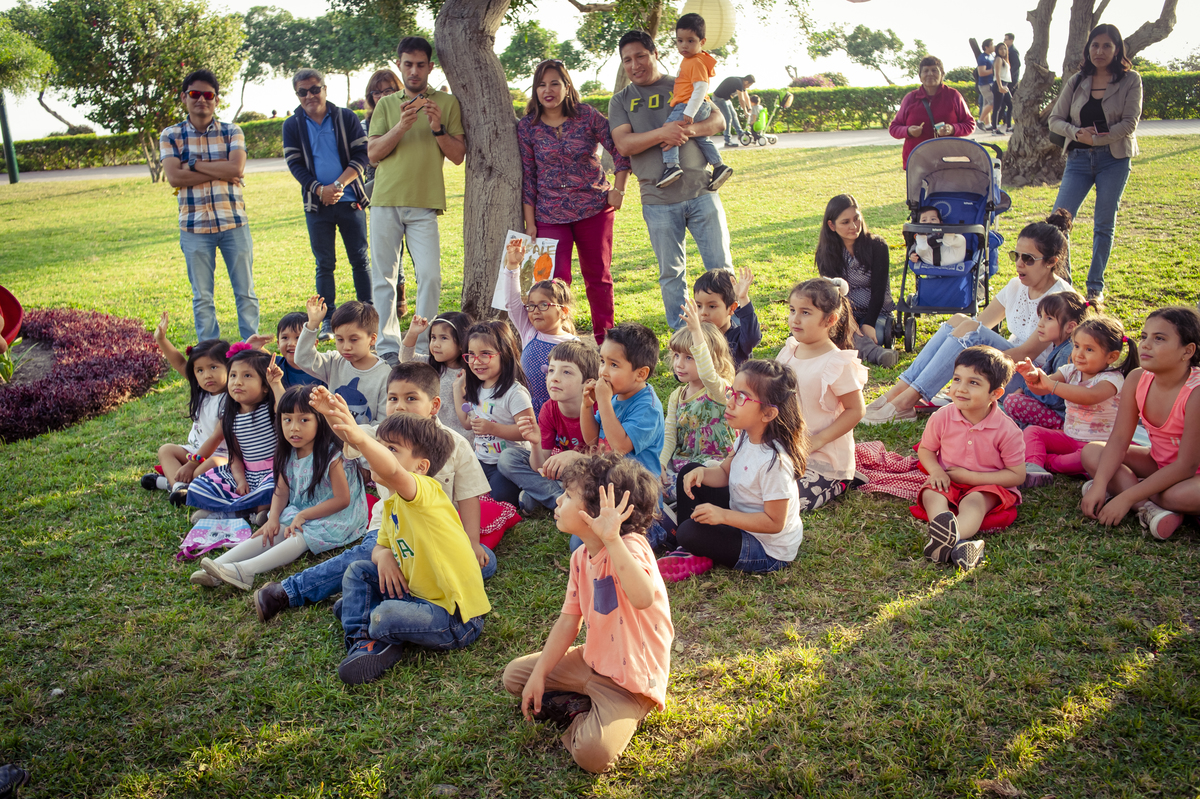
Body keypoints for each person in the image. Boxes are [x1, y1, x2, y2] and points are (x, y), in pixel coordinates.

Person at [253, 362, 497, 622]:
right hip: (389, 532)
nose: (400, 406)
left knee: (486, 561)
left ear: (434, 405)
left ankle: (367, 594)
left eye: (411, 398)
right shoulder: (379, 435)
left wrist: (471, 542)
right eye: (393, 398)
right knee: (362, 557)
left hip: (433, 538)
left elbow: (469, 497)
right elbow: (351, 435)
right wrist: (332, 413)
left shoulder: (455, 444)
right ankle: (287, 592)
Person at [502, 452, 672, 774]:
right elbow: (568, 621)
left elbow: (642, 597)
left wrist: (612, 539)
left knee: (593, 754)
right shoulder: (580, 556)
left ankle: (583, 713)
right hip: (592, 660)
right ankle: (581, 702)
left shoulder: (631, 547)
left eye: (567, 496)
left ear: (597, 513)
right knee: (516, 676)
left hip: (629, 681)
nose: (558, 500)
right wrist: (539, 673)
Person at [314, 393, 491, 685]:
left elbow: (392, 470)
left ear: (420, 466)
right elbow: (381, 545)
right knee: (358, 571)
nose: (379, 454)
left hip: (455, 619)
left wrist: (359, 436)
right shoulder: (391, 503)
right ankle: (362, 642)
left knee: (383, 616)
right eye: (381, 446)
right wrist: (382, 555)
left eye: (391, 449)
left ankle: (370, 619)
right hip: (416, 595)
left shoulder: (425, 491)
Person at [864, 210, 1079, 424]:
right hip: (1007, 366)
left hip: (1032, 381)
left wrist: (976, 361)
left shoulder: (1061, 299)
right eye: (1016, 256)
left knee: (971, 332)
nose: (1019, 264)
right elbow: (977, 322)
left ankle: (905, 403)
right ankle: (895, 395)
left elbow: (1025, 354)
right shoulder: (1016, 285)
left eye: (1028, 259)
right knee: (959, 320)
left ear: (1051, 261)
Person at [608, 29, 733, 330]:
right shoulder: (621, 101)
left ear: (655, 54)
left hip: (702, 192)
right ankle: (684, 341)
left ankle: (733, 332)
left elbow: (718, 121)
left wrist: (686, 131)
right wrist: (663, 133)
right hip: (657, 200)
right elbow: (624, 145)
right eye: (627, 60)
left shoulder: (681, 83)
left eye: (640, 56)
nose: (635, 64)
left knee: (720, 268)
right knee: (671, 275)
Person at [194, 385, 368, 590]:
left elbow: (342, 500)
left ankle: (246, 570)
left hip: (338, 515)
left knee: (299, 535)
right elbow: (281, 490)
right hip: (305, 509)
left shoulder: (332, 455)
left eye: (304, 420)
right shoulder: (287, 453)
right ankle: (217, 566)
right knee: (273, 529)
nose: (294, 427)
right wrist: (273, 518)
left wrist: (304, 514)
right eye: (287, 420)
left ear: (319, 422)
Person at [368, 37, 466, 361]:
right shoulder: (385, 105)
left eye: (420, 64)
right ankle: (386, 349)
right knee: (383, 278)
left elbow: (457, 156)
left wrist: (437, 128)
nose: (414, 71)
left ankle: (422, 347)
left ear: (430, 67)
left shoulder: (447, 104)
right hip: (385, 200)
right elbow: (373, 154)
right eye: (407, 64)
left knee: (430, 275)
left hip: (424, 204)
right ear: (399, 65)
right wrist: (400, 126)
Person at [518, 60, 630, 343]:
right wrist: (530, 222)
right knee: (552, 282)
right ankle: (559, 342)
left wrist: (619, 188)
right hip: (549, 214)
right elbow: (528, 175)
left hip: (594, 208)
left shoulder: (587, 116)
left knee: (598, 277)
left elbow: (620, 149)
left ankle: (606, 341)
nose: (548, 90)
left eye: (555, 83)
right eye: (541, 85)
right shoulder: (527, 127)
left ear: (567, 86)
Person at [664, 359, 807, 581]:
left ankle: (689, 544)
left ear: (768, 414)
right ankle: (688, 544)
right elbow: (723, 473)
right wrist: (701, 474)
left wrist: (723, 516)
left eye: (741, 397)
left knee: (689, 532)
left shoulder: (775, 462)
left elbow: (774, 523)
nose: (729, 403)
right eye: (733, 393)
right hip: (740, 517)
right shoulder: (746, 437)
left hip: (765, 548)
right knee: (690, 471)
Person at [1082, 307, 1200, 541]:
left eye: (1159, 338)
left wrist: (1125, 497)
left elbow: (1186, 466)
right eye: (1144, 336)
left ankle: (1134, 493)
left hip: (1191, 475)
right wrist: (1100, 484)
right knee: (1092, 451)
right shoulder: (1137, 378)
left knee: (1176, 495)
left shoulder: (1195, 392)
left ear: (1187, 351)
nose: (1145, 344)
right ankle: (1150, 508)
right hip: (1159, 463)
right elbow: (1118, 440)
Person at [159, 69, 259, 343]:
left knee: (245, 292)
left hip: (233, 223)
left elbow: (237, 167)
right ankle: (210, 354)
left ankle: (250, 352)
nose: (201, 100)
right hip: (194, 228)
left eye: (208, 95)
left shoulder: (232, 131)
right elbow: (174, 177)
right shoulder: (171, 135)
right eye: (194, 94)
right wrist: (222, 170)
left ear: (216, 100)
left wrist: (193, 164)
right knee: (202, 297)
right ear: (184, 97)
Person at [1049, 23, 1142, 303]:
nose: (1099, 51)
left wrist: (1097, 140)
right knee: (1058, 222)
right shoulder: (1077, 80)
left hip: (1113, 159)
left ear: (1117, 50)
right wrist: (1077, 133)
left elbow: (1130, 122)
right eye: (1095, 45)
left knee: (1103, 224)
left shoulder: (1131, 80)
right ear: (1088, 49)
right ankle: (1063, 283)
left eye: (1106, 46)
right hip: (1078, 158)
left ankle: (1095, 286)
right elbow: (1056, 119)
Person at [283, 69, 372, 341]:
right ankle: (326, 319)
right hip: (317, 205)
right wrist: (319, 189)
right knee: (324, 264)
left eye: (314, 89)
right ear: (297, 95)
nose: (310, 95)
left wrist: (339, 185)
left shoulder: (346, 117)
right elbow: (295, 164)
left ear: (324, 88)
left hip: (350, 201)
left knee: (360, 259)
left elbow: (362, 154)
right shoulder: (292, 125)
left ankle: (368, 314)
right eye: (302, 91)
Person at [916, 346, 1025, 571]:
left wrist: (972, 477)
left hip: (987, 485)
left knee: (973, 503)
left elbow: (1017, 475)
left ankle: (954, 535)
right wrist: (936, 472)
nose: (961, 389)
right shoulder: (942, 417)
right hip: (948, 479)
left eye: (973, 383)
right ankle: (948, 536)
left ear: (995, 393)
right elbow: (926, 449)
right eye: (957, 379)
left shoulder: (1007, 430)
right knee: (931, 493)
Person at [776, 278, 867, 509]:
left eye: (806, 312)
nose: (795, 319)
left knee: (785, 502)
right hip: (787, 450)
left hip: (822, 459)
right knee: (749, 485)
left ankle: (842, 482)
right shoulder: (789, 351)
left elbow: (856, 410)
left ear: (830, 319)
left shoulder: (836, 362)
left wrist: (817, 441)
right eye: (792, 310)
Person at [1016, 314, 1136, 487]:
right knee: (1033, 432)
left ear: (1111, 357)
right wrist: (1033, 378)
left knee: (1072, 461)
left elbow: (1089, 397)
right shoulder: (1070, 370)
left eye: (1089, 349)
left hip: (1097, 446)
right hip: (1069, 436)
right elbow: (1042, 388)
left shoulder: (1112, 379)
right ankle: (1034, 468)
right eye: (1077, 346)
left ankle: (1050, 462)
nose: (1079, 354)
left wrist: (1050, 384)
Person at [185, 347, 285, 519]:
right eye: (233, 375)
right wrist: (240, 480)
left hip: (275, 472)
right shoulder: (229, 419)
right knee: (200, 485)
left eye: (247, 376)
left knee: (274, 489)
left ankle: (248, 512)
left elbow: (286, 408)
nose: (237, 382)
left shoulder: (271, 410)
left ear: (265, 387)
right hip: (248, 474)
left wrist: (276, 383)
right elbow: (235, 456)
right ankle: (245, 511)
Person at [500, 340, 598, 513]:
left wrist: (575, 457)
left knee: (598, 481)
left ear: (588, 382)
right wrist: (536, 444)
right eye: (551, 370)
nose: (554, 377)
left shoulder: (599, 407)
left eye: (566, 372)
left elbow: (608, 460)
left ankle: (544, 496)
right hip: (561, 470)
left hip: (592, 471)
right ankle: (561, 499)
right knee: (508, 458)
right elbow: (539, 467)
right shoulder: (548, 409)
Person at [660, 299, 735, 504]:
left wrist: (696, 331)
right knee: (654, 482)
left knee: (697, 480)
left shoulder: (718, 390)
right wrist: (660, 464)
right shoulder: (677, 395)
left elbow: (708, 374)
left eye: (689, 357)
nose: (679, 364)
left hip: (716, 466)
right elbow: (670, 436)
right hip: (683, 464)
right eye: (676, 356)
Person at [454, 321, 536, 506]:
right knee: (461, 492)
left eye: (485, 354)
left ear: (504, 354)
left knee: (500, 498)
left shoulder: (514, 393)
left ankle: (530, 492)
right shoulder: (478, 388)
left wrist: (493, 428)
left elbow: (528, 432)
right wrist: (457, 389)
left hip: (509, 464)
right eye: (471, 355)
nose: (476, 361)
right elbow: (467, 423)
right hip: (481, 460)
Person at [141, 326, 229, 496]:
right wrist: (161, 339)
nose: (207, 375)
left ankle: (167, 482)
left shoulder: (231, 398)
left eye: (213, 367)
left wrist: (192, 465)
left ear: (229, 366)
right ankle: (179, 488)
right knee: (166, 450)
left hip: (220, 456)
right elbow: (180, 363)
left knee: (210, 466)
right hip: (194, 451)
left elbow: (217, 437)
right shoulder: (202, 391)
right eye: (200, 370)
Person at [815, 195, 898, 368]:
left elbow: (879, 290)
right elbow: (835, 295)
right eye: (845, 222)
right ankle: (875, 353)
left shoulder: (877, 245)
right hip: (844, 312)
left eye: (856, 219)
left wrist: (868, 323)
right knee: (837, 329)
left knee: (867, 335)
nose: (854, 226)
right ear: (832, 225)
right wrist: (849, 322)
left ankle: (869, 351)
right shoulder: (825, 253)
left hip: (877, 312)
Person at [500, 238, 579, 414]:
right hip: (526, 408)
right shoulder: (529, 331)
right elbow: (512, 302)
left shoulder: (575, 345)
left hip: (561, 411)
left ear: (563, 311)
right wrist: (512, 266)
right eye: (531, 305)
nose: (535, 310)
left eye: (544, 305)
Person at [580, 322, 665, 479]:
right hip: (609, 480)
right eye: (602, 361)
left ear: (640, 374)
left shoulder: (648, 408)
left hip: (636, 489)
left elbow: (619, 448)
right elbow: (591, 441)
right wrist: (586, 406)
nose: (603, 371)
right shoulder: (615, 396)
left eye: (613, 365)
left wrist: (604, 401)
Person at [658, 14, 732, 191]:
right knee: (702, 137)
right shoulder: (691, 60)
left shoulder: (696, 62)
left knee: (670, 130)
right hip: (695, 105)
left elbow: (701, 88)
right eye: (680, 40)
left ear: (702, 41)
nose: (684, 45)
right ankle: (719, 166)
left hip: (688, 105)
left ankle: (672, 167)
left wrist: (689, 111)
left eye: (690, 40)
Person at [1000, 292, 1091, 429]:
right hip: (1056, 409)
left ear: (1070, 327)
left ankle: (1054, 430)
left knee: (1013, 402)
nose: (1040, 324)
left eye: (1048, 318)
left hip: (1063, 417)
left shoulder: (1068, 353)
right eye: (1041, 317)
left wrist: (1027, 391)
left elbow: (1056, 399)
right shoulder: (1061, 347)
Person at [295, 297, 389, 424]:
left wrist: (355, 437)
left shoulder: (385, 375)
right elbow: (303, 358)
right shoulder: (334, 361)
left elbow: (383, 422)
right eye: (339, 339)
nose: (346, 347)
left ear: (372, 339)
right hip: (333, 439)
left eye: (354, 339)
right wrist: (312, 324)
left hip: (363, 442)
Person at [888, 55, 975, 168]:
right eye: (925, 71)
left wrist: (952, 129)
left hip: (948, 159)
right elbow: (894, 128)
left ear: (942, 75)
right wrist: (908, 131)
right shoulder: (910, 98)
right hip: (918, 159)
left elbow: (970, 124)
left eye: (934, 70)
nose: (930, 74)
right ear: (920, 77)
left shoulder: (953, 96)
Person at [401, 311, 474, 444]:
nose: (436, 344)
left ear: (461, 342)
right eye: (433, 337)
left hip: (465, 441)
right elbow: (406, 358)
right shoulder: (430, 365)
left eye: (444, 338)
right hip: (435, 438)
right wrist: (413, 333)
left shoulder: (473, 371)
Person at [693, 267, 760, 368]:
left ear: (731, 308)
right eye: (699, 306)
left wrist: (743, 298)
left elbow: (752, 338)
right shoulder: (694, 335)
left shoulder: (738, 338)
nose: (703, 313)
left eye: (712, 306)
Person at [362, 69, 401, 186]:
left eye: (387, 91)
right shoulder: (364, 125)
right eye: (376, 93)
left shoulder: (410, 119)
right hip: (377, 188)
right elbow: (370, 159)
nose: (382, 97)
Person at [271, 312, 325, 389]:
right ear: (278, 344)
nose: (291, 344)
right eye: (285, 338)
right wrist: (249, 346)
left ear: (314, 343)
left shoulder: (324, 368)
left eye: (298, 338)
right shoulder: (275, 366)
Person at [711, 74, 754, 147]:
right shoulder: (738, 82)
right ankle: (727, 141)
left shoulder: (741, 83)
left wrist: (750, 108)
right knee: (728, 117)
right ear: (746, 82)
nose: (748, 87)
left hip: (726, 99)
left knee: (734, 115)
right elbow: (741, 99)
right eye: (749, 85)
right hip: (719, 98)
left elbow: (746, 96)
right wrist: (745, 112)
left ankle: (740, 134)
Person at [990, 43, 1014, 133]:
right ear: (997, 50)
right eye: (1001, 49)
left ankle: (1009, 127)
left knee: (1011, 105)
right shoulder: (998, 59)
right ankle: (994, 129)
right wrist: (1000, 87)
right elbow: (997, 74)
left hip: (1005, 84)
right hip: (999, 85)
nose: (1003, 51)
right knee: (997, 107)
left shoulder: (1005, 60)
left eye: (1005, 49)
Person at [976, 39, 996, 130]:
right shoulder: (982, 57)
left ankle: (988, 125)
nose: (993, 46)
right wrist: (994, 71)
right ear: (986, 47)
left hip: (990, 83)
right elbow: (981, 72)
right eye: (992, 44)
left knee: (987, 104)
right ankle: (980, 121)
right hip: (985, 84)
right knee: (993, 102)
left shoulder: (992, 56)